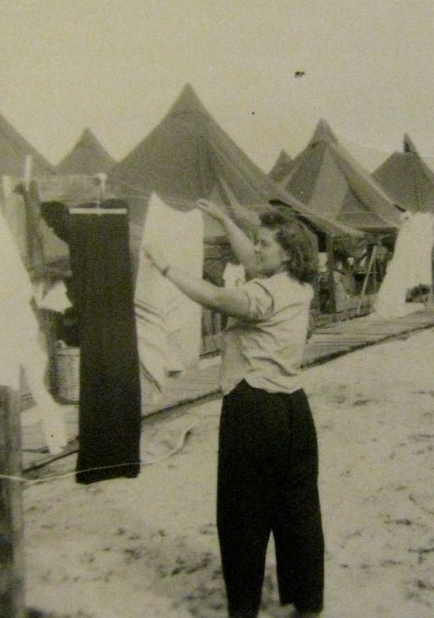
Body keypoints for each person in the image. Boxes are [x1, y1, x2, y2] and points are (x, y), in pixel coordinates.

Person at [144, 200, 324, 618]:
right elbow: (255, 262)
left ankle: (243, 609)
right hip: (295, 413)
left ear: (285, 254)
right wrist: (225, 221)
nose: (256, 250)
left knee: (243, 515)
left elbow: (216, 297)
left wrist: (166, 267)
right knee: (298, 512)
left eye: (264, 244)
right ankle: (307, 604)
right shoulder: (298, 286)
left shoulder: (263, 293)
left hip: (254, 411)